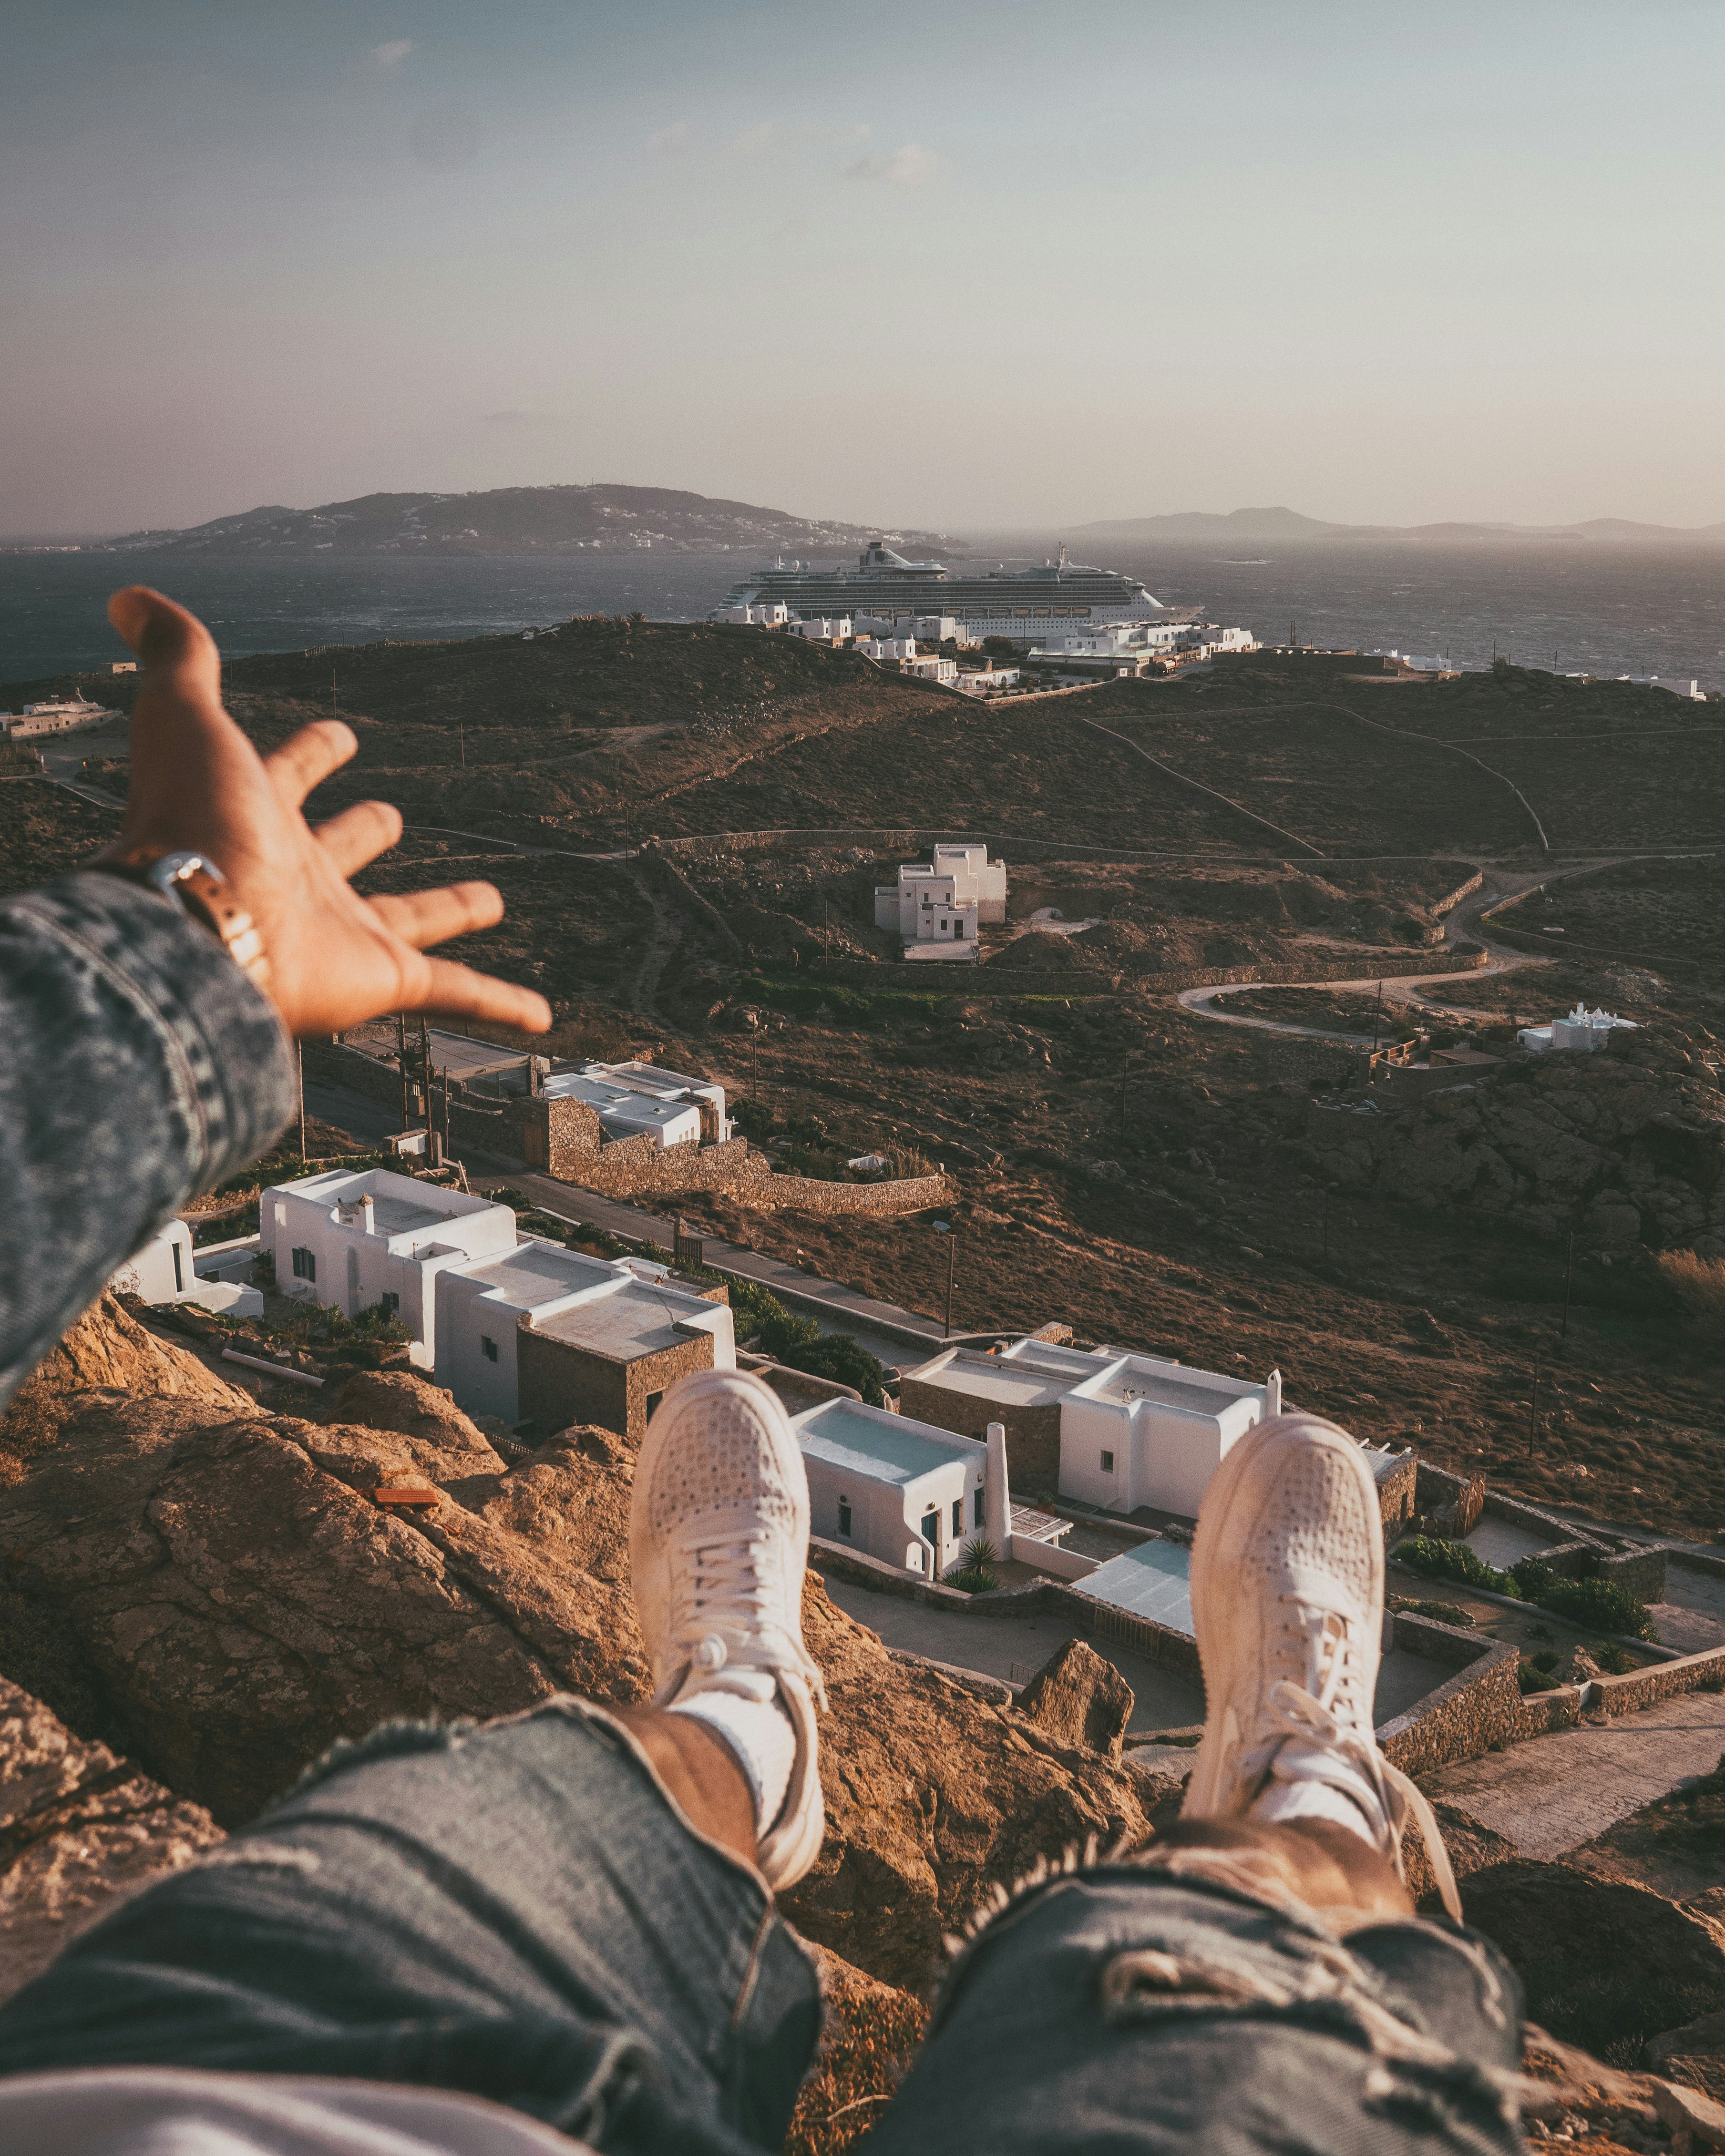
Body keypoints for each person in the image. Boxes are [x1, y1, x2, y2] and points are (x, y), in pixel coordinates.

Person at [0, 592, 1528, 2154]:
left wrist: (194, 951)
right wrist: (185, 942)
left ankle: (744, 1724)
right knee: (1232, 2012)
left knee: (486, 1843)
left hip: (195, 2092)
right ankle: (1307, 1803)